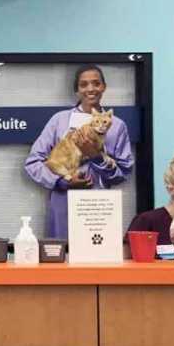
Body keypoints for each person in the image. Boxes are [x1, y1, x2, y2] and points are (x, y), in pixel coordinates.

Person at [24, 65, 135, 239]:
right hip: (63, 202)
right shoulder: (59, 121)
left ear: (104, 87)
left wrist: (96, 157)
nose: (90, 89)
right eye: (83, 85)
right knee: (62, 259)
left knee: (98, 256)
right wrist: (62, 182)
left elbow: (124, 171)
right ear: (77, 90)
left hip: (99, 207)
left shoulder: (116, 126)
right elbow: (33, 162)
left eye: (96, 83)